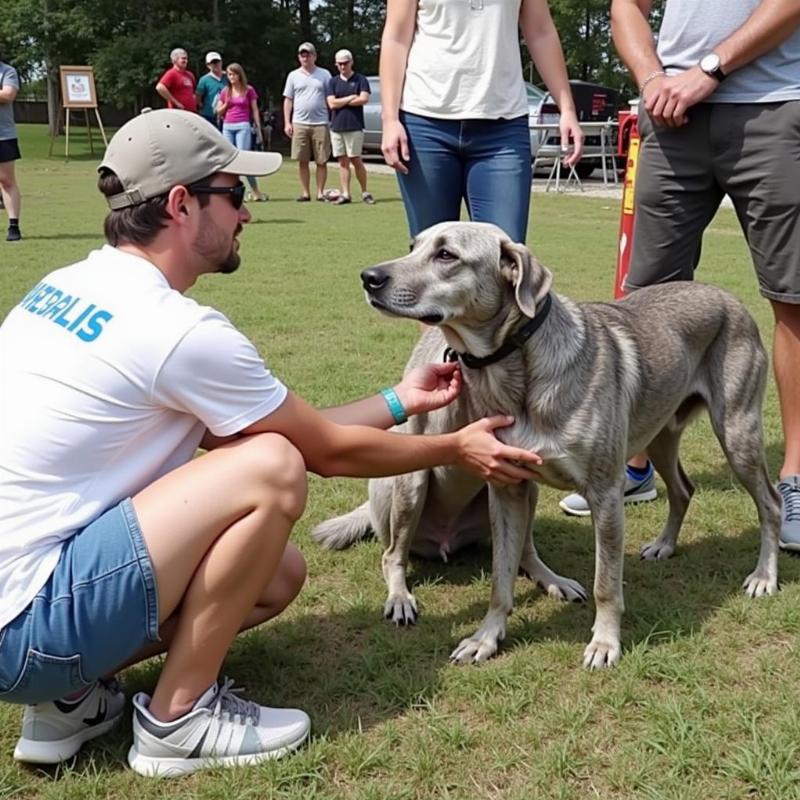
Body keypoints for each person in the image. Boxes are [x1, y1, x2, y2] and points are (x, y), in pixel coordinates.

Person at [0, 108, 543, 777]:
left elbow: (296, 424)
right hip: (28, 624)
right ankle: (177, 720)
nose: (246, 214)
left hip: (21, 604)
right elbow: (320, 454)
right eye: (233, 196)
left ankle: (69, 700)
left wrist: (403, 400)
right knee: (271, 469)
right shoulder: (178, 331)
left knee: (276, 574)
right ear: (180, 204)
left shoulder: (67, 285)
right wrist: (455, 447)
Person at [559, 0, 800, 551]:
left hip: (774, 104)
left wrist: (708, 69)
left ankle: (795, 479)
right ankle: (635, 463)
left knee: (792, 297)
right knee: (643, 302)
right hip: (671, 116)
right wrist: (652, 79)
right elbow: (627, 8)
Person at [379, 0, 583, 244]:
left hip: (503, 128)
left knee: (505, 253)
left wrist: (567, 108)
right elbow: (396, 37)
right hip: (425, 125)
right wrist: (390, 119)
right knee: (429, 258)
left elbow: (541, 32)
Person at [282, 42, 331, 203]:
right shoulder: (293, 76)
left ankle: (320, 192)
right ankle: (305, 193)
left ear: (314, 56)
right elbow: (288, 100)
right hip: (299, 123)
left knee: (321, 160)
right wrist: (287, 123)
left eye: (308, 54)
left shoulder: (324, 74)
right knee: (302, 160)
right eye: (302, 54)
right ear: (298, 57)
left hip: (320, 122)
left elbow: (330, 98)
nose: (305, 57)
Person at [326, 49, 375, 206]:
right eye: (339, 64)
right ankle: (345, 193)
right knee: (342, 161)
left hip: (354, 126)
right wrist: (349, 98)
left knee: (356, 159)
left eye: (345, 63)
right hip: (337, 126)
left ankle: (365, 192)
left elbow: (363, 99)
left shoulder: (360, 79)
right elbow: (332, 103)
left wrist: (342, 101)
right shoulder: (333, 82)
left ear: (351, 62)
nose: (342, 66)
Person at [216, 62, 267, 202]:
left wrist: (258, 127)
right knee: (229, 160)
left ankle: (255, 191)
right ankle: (236, 192)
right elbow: (218, 110)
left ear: (239, 75)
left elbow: (255, 110)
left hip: (243, 125)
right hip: (227, 126)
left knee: (242, 159)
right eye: (229, 74)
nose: (231, 77)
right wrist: (226, 103)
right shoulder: (225, 91)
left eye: (233, 74)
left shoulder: (248, 90)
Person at [0, 53, 21, 242]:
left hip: (3, 135)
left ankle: (13, 226)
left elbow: (7, 94)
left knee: (6, 180)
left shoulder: (7, 71)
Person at [155, 48, 197, 113]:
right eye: (183, 58)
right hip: (178, 112)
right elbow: (160, 87)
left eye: (186, 59)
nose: (186, 61)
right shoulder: (172, 73)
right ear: (174, 60)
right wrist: (176, 102)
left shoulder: (190, 75)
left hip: (191, 112)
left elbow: (193, 92)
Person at [196, 51, 228, 129]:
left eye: (217, 62)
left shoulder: (228, 77)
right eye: (213, 63)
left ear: (221, 62)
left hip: (227, 115)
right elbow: (198, 96)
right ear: (208, 65)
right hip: (209, 115)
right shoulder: (204, 80)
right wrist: (201, 107)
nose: (216, 65)